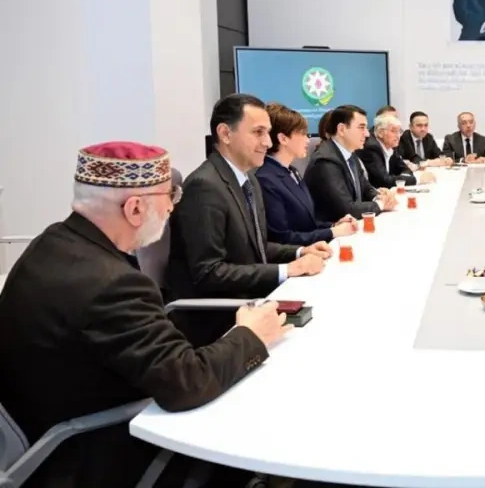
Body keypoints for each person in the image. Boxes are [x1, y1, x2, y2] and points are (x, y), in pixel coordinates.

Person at [0, 142, 291, 488]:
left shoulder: (51, 242)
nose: (172, 206)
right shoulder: (112, 285)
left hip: (43, 431)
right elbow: (187, 384)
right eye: (170, 195)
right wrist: (251, 334)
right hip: (94, 456)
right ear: (135, 208)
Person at [168, 95, 331, 342]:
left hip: (250, 301)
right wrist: (287, 270)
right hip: (219, 318)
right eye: (258, 132)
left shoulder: (248, 179)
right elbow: (209, 273)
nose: (268, 142)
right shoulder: (205, 186)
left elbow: (256, 246)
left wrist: (299, 251)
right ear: (225, 133)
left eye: (268, 132)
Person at [256, 102, 359, 246]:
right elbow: (282, 238)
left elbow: (308, 223)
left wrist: (333, 225)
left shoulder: (292, 171)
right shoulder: (266, 179)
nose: (308, 139)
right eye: (303, 134)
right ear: (283, 139)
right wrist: (332, 232)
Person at [305, 104, 398, 220]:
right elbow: (346, 209)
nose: (367, 134)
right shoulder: (325, 161)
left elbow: (365, 188)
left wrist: (379, 196)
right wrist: (381, 204)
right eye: (361, 127)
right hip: (333, 228)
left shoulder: (349, 152)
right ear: (341, 129)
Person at [357, 113, 436, 188]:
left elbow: (404, 168)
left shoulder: (390, 145)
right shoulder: (371, 148)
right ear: (380, 133)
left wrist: (404, 178)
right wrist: (418, 179)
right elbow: (384, 181)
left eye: (399, 131)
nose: (398, 136)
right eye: (393, 131)